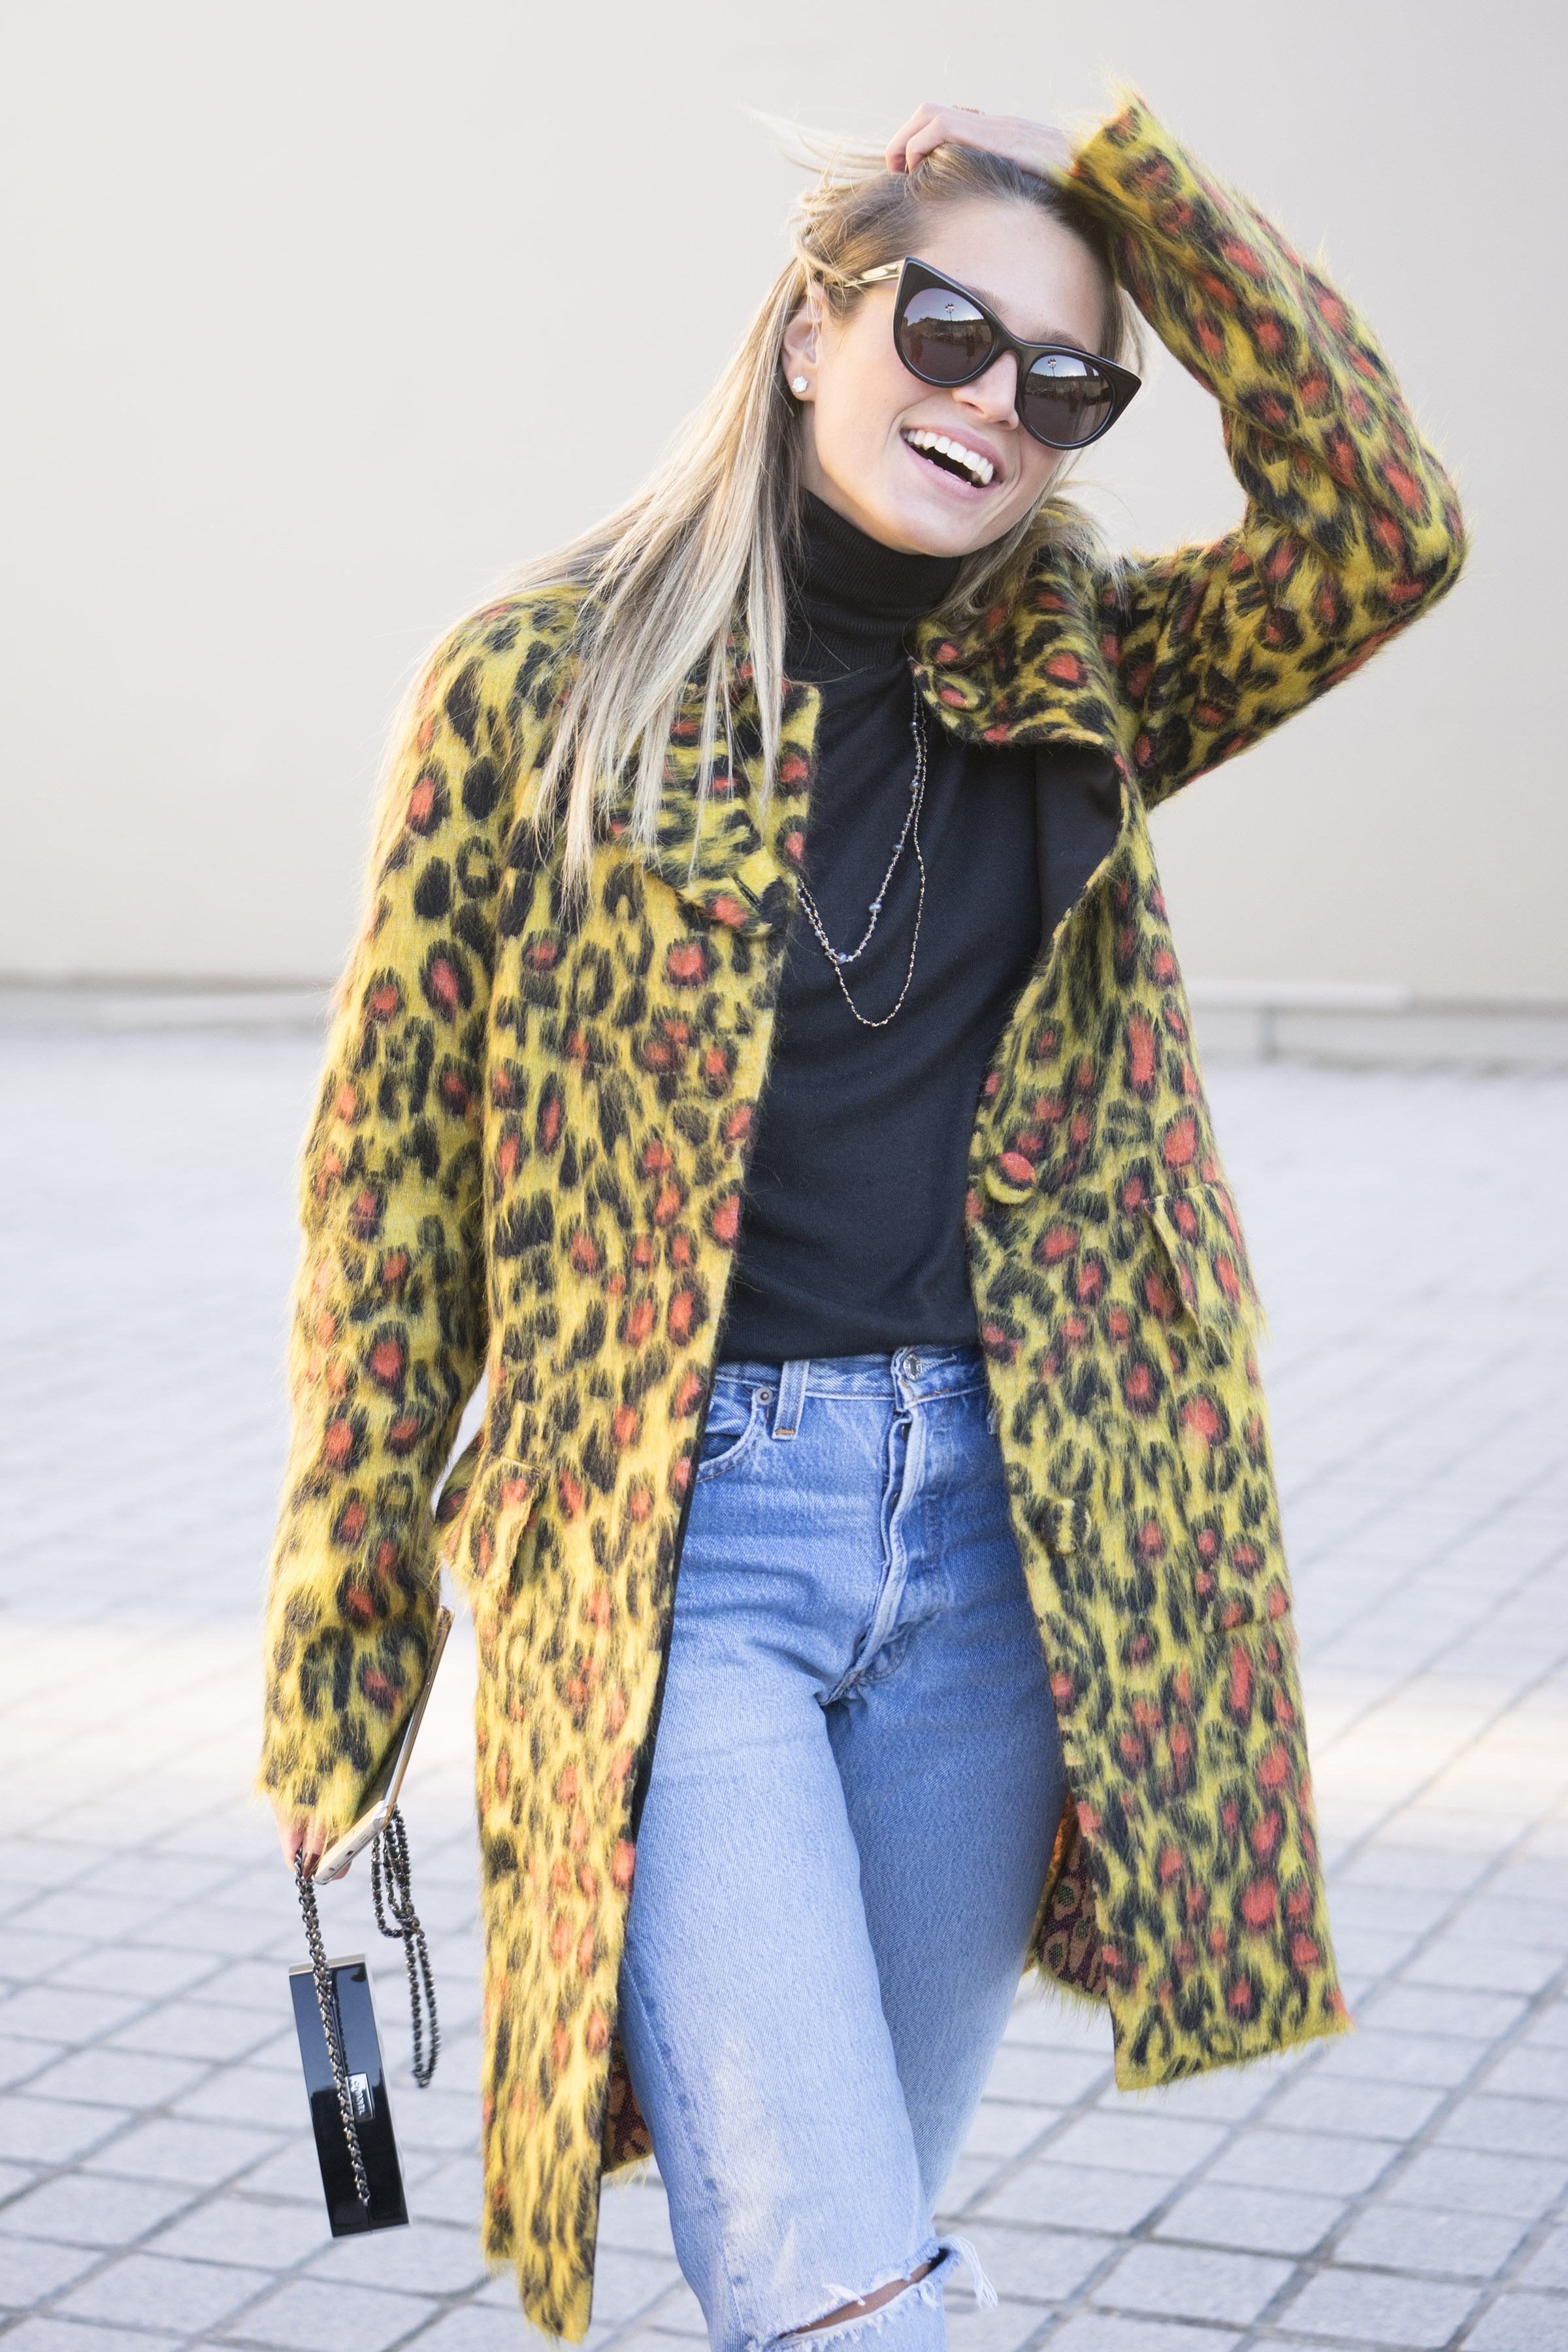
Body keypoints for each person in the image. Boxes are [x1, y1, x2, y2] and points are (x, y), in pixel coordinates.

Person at [258, 93, 1464, 2349]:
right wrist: (345, 1665)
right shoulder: (541, 687)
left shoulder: (1082, 669)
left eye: (1065, 380)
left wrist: (1135, 183)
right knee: (836, 2285)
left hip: (1005, 1558)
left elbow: (1386, 527)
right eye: (947, 329)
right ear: (814, 325)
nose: (994, 401)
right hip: (681, 1551)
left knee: (845, 2242)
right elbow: (389, 1209)